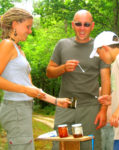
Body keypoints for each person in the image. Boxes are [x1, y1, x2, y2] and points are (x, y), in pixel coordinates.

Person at [0, 7, 71, 150]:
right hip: (15, 109)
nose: (30, 31)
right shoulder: (7, 45)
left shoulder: (20, 51)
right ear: (15, 24)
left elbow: (31, 88)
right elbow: (26, 89)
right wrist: (25, 89)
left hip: (23, 109)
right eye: (28, 26)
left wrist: (56, 101)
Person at [46, 10, 111, 150]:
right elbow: (49, 72)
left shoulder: (99, 47)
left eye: (86, 24)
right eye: (78, 24)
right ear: (72, 25)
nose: (82, 28)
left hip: (90, 104)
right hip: (67, 103)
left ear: (92, 26)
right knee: (61, 144)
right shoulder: (62, 44)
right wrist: (63, 68)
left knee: (90, 145)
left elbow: (106, 80)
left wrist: (104, 110)